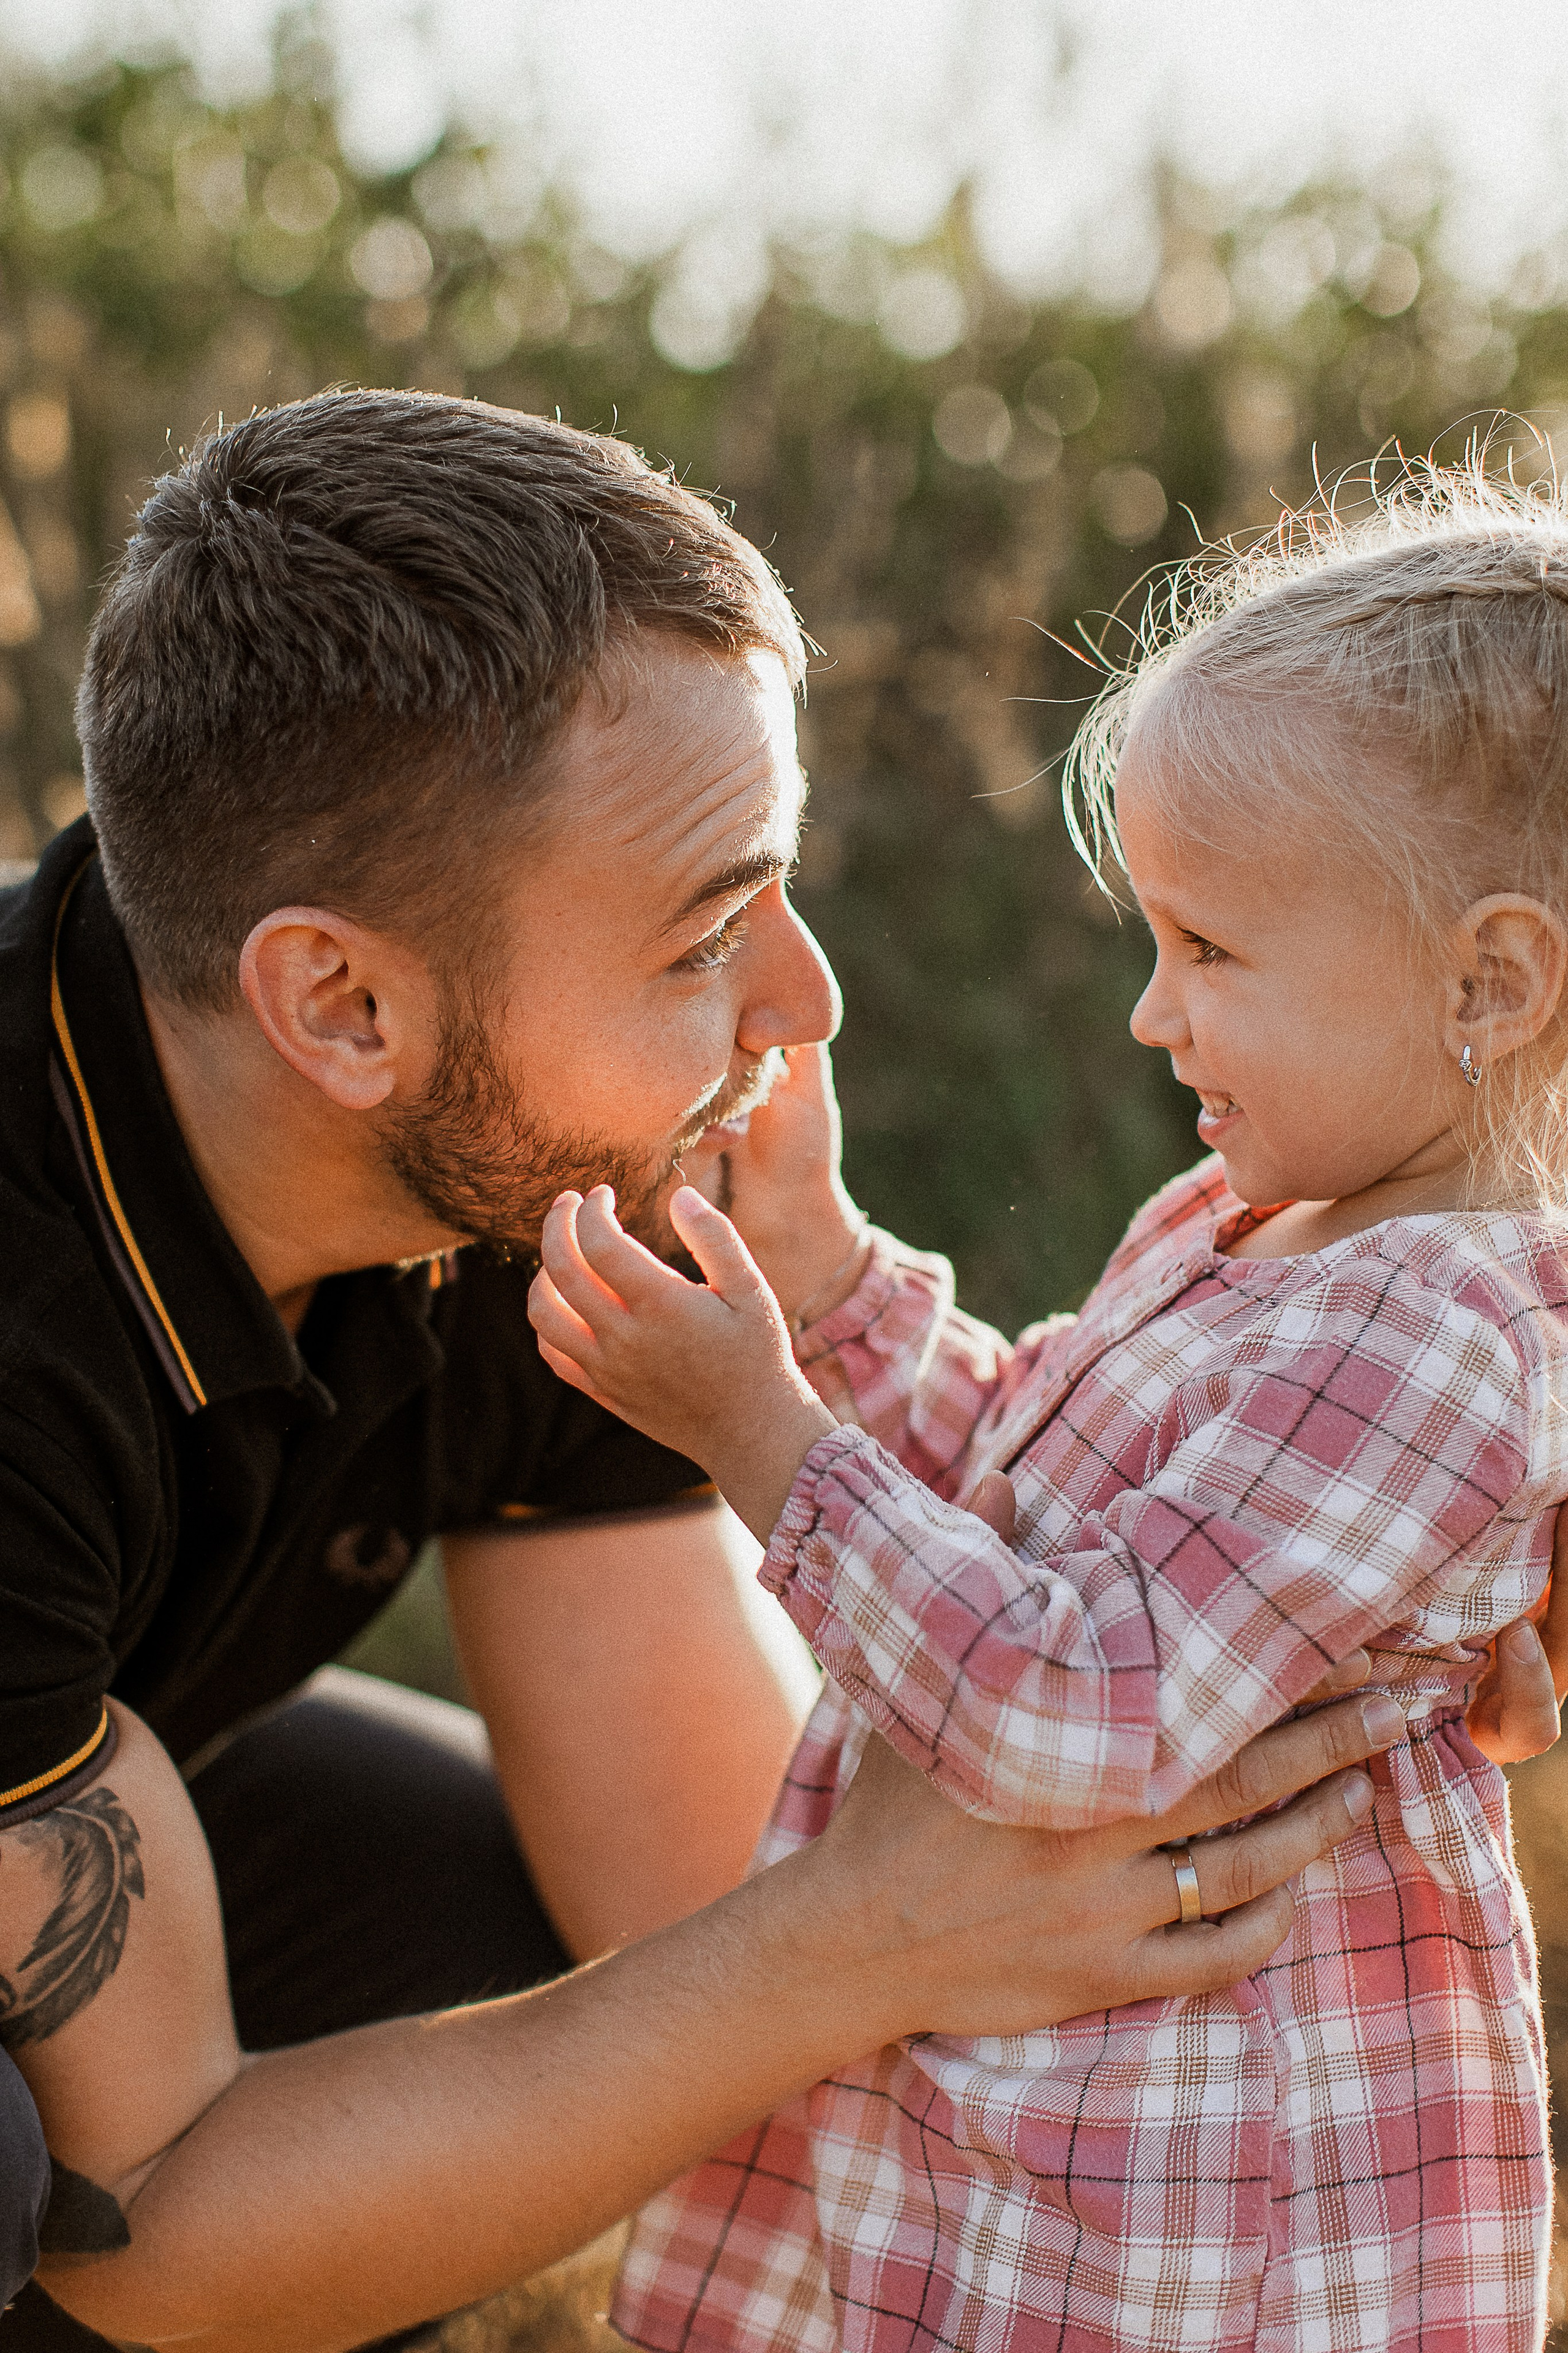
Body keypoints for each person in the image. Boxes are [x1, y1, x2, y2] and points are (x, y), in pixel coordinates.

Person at [0, 390, 1468, 2353]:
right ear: (339, 1003)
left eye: (776, 887)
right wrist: (852, 1935)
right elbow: (155, 2220)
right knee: (32, 2170)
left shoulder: (532, 1187)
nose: (806, 1000)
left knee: (545, 1926)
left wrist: (1385, 1574)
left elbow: (703, 1877)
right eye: (703, 937)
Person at [527, 461, 1568, 2352]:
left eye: (1215, 953)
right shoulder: (1272, 1222)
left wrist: (765, 1435)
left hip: (1188, 2202)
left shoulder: (1444, 1335)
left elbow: (1086, 1695)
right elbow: (1045, 1504)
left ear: (1488, 981)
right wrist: (833, 1273)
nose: (1155, 1016)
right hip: (1057, 2104)